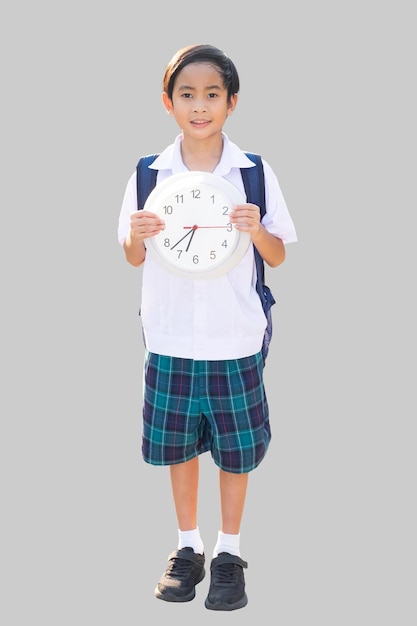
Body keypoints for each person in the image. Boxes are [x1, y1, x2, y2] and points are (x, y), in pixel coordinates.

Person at [117, 43, 297, 611]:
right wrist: (137, 234)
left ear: (232, 102)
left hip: (234, 336)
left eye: (212, 95)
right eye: (187, 95)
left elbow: (279, 254)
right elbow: (131, 256)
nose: (200, 106)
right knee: (179, 448)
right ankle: (187, 546)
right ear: (167, 103)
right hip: (171, 335)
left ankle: (230, 553)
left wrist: (254, 226)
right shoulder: (149, 172)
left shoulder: (255, 173)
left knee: (236, 452)